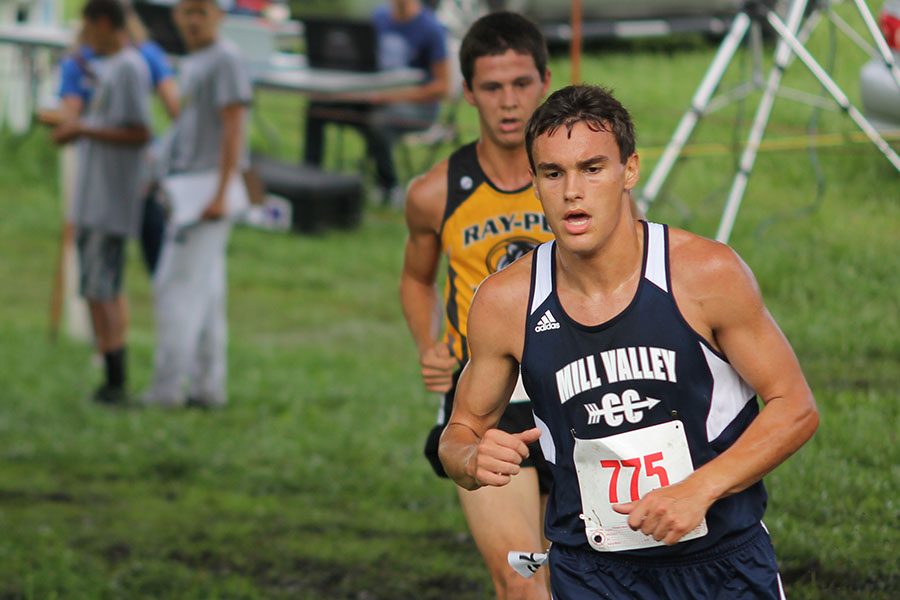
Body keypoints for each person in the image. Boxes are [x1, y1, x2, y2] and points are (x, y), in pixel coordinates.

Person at [438, 84, 820, 599]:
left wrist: (699, 489)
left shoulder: (705, 274)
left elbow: (795, 407)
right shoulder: (505, 302)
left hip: (721, 564)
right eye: (553, 173)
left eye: (592, 168)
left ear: (629, 170)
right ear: (535, 183)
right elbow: (458, 432)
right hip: (592, 574)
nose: (572, 190)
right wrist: (470, 459)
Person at [400, 12, 554, 599]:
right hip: (489, 400)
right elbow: (415, 280)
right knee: (522, 583)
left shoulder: (578, 178)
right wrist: (429, 345)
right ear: (469, 93)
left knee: (582, 579)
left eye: (520, 84)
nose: (508, 103)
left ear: (544, 81)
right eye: (492, 87)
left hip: (575, 393)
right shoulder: (435, 191)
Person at [142, 0, 252, 408]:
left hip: (205, 193)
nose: (192, 20)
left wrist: (221, 192)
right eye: (186, 11)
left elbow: (233, 128)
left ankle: (166, 389)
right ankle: (208, 387)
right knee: (205, 292)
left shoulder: (225, 60)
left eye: (201, 12)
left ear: (219, 16)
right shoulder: (196, 60)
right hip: (187, 187)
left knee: (174, 288)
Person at [50, 0, 152, 404]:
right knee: (96, 286)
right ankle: (111, 375)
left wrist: (84, 129)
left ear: (104, 22)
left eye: (87, 26)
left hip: (109, 199)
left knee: (103, 288)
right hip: (94, 197)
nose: (84, 36)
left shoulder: (128, 67)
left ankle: (115, 378)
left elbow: (140, 132)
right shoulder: (112, 67)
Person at [54, 1, 179, 275]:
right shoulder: (84, 60)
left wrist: (81, 128)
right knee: (110, 273)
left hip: (123, 181)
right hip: (124, 175)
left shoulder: (131, 62)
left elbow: (162, 119)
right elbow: (176, 112)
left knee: (119, 269)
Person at [304, 0, 449, 206]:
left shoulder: (431, 28)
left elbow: (441, 87)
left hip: (417, 107)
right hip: (374, 97)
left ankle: (389, 185)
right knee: (318, 107)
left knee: (378, 120)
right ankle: (309, 176)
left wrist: (391, 96)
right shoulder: (378, 18)